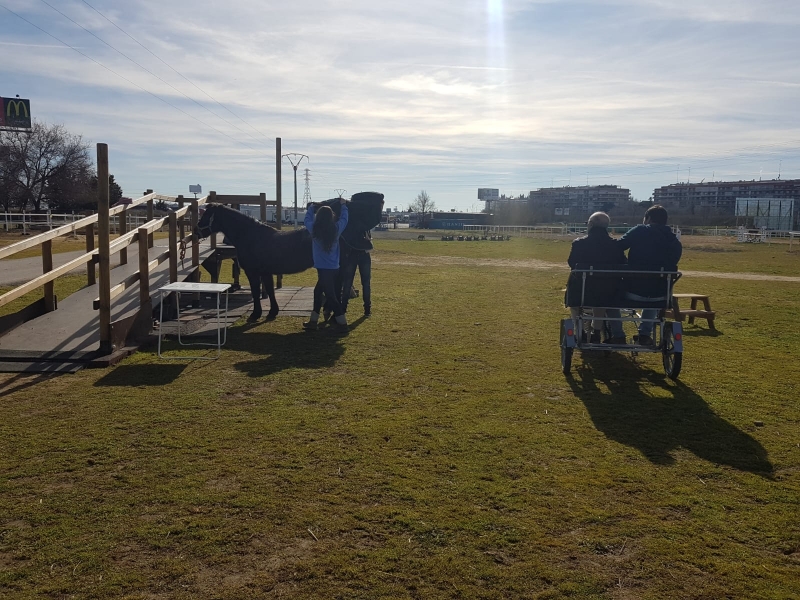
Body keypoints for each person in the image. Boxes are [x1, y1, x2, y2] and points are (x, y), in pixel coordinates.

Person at [616, 204, 682, 346]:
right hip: (662, 294)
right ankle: (645, 334)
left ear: (648, 218)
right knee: (654, 291)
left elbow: (618, 246)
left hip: (633, 291)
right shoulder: (674, 241)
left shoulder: (640, 230)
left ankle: (616, 333)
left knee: (614, 290)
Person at [565, 212, 627, 343]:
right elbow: (623, 264)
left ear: (591, 224)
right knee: (602, 296)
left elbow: (572, 264)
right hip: (608, 291)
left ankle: (579, 330)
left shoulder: (579, 244)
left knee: (575, 300)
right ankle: (596, 331)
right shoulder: (616, 245)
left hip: (583, 290)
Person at [303, 198, 349, 333]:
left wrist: (311, 208)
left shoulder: (314, 230)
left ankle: (342, 323)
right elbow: (344, 220)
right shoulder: (335, 229)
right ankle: (313, 321)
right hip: (333, 267)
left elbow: (307, 220)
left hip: (322, 268)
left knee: (330, 296)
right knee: (318, 292)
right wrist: (344, 206)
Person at [339, 229, 373, 317]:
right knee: (365, 283)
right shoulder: (365, 224)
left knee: (348, 283)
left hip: (352, 254)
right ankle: (367, 310)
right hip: (363, 254)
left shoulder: (352, 224)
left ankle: (344, 308)